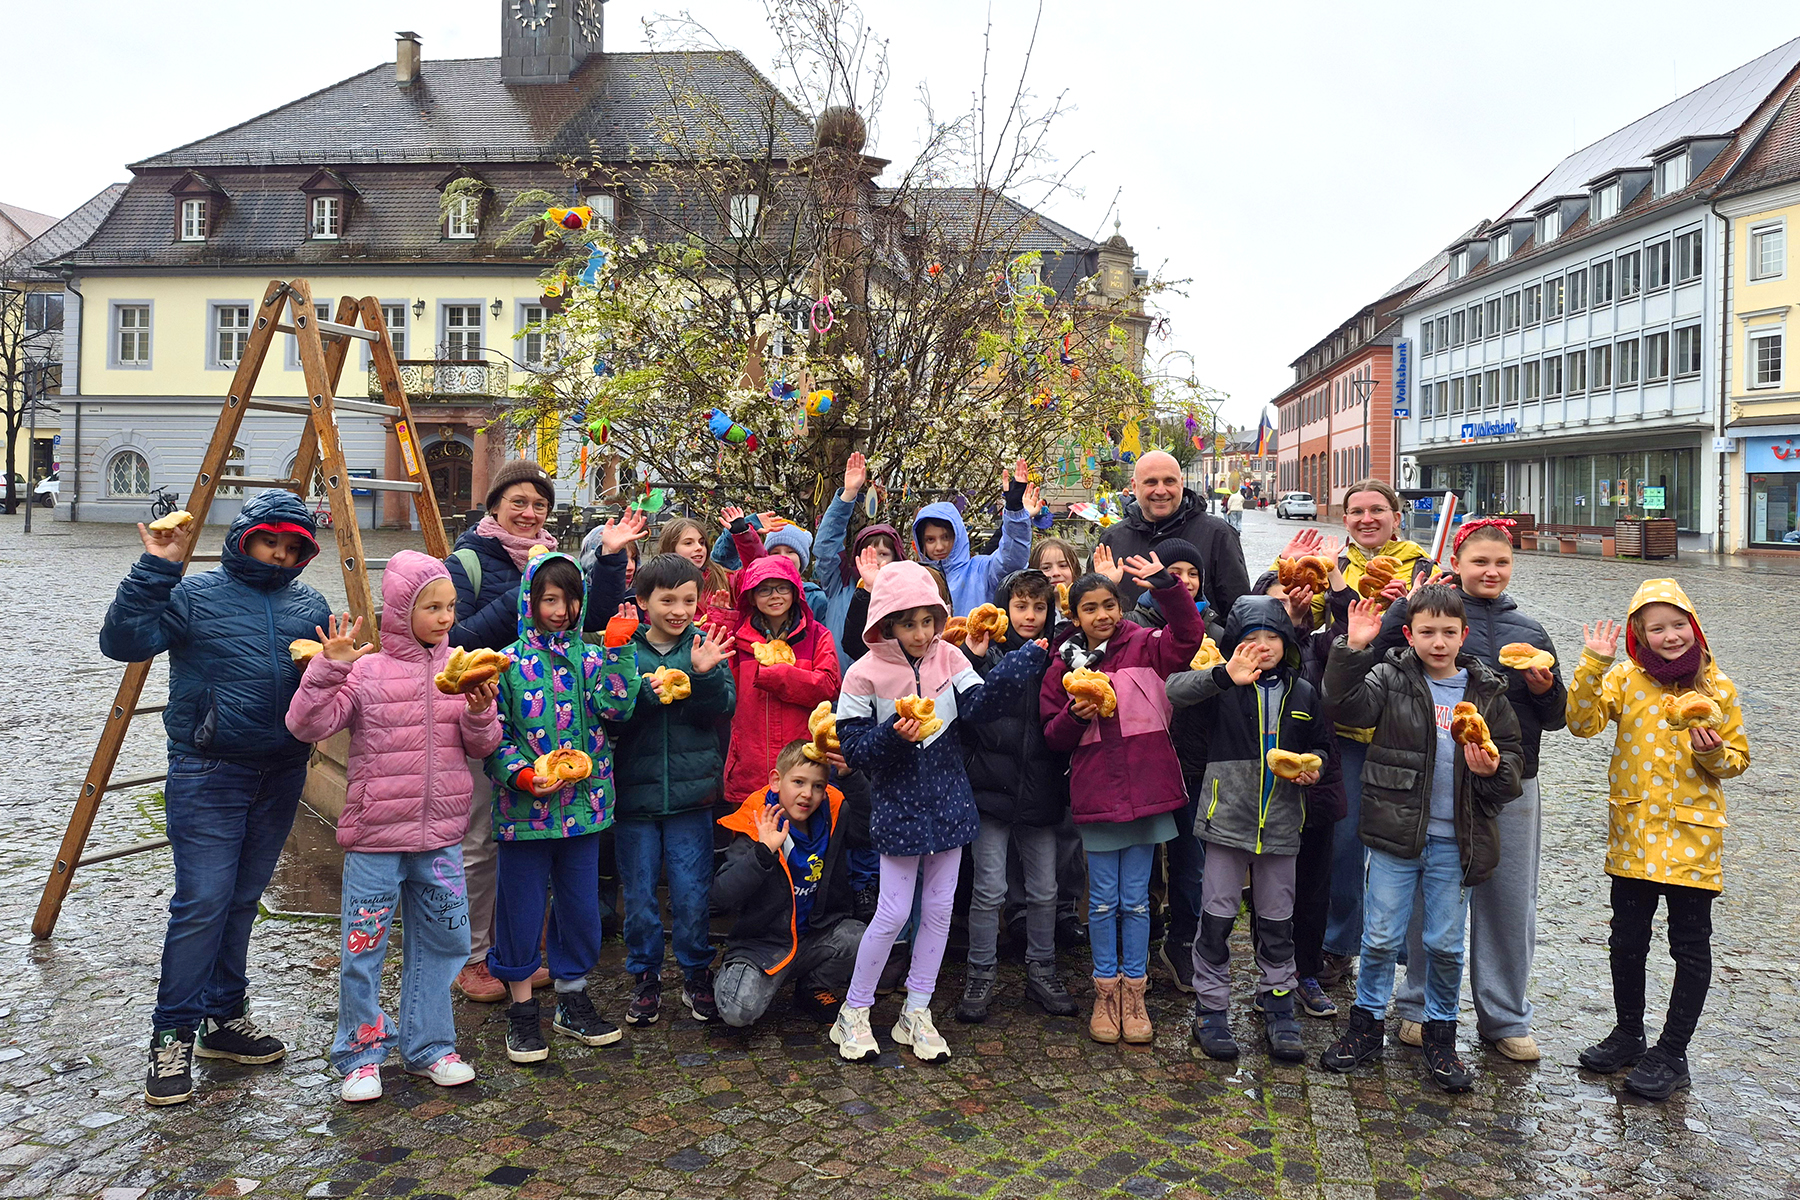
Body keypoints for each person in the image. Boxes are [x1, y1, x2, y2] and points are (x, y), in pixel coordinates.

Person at [104, 493, 330, 1108]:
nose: (280, 554)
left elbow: (320, 687)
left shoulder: (310, 605)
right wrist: (157, 567)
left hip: (281, 771)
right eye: (270, 541)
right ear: (243, 539)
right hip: (208, 770)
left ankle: (224, 1018)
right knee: (202, 902)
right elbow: (122, 641)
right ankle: (171, 1034)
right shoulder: (193, 595)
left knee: (241, 899)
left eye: (293, 547)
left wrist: (338, 668)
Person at [284, 552, 501, 1103]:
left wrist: (480, 712)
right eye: (432, 607)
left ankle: (430, 1046)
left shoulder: (463, 670)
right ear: (402, 610)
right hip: (376, 840)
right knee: (364, 948)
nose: (445, 617)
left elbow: (482, 747)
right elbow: (306, 724)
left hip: (441, 840)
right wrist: (329, 668)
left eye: (450, 606)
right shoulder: (366, 672)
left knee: (447, 941)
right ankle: (361, 1054)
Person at [830, 561, 1047, 1063]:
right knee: (892, 913)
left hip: (950, 804)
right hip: (897, 807)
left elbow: (978, 709)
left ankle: (916, 1010)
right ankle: (854, 1011)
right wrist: (894, 736)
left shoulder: (950, 656)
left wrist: (1017, 665)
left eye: (929, 621)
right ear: (887, 623)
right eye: (909, 623)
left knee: (939, 911)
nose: (922, 633)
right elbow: (854, 750)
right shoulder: (863, 673)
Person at [446, 460, 639, 1004]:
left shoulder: (560, 574)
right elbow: (455, 637)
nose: (530, 513)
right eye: (519, 502)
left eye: (539, 505)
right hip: (493, 719)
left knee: (562, 882)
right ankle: (479, 958)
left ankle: (549, 971)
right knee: (482, 848)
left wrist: (607, 559)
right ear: (494, 507)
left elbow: (593, 622)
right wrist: (523, 592)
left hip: (574, 782)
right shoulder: (469, 560)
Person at [1375, 519, 1567, 1062]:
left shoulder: (1530, 632)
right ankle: (1417, 1004)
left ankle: (1505, 1016)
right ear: (1456, 564)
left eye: (1501, 562)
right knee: (1426, 893)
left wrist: (1545, 690)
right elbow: (1382, 664)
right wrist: (1401, 607)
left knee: (1508, 899)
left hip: (1510, 781)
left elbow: (1557, 716)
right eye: (1480, 561)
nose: (1491, 571)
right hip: (1435, 778)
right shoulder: (1430, 616)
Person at [1317, 587, 1522, 1092]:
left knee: (1445, 944)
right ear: (1409, 635)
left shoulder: (1487, 691)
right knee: (1380, 937)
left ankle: (1440, 1034)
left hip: (1458, 839)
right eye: (1427, 632)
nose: (1438, 642)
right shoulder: (1390, 678)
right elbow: (1342, 706)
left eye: (1448, 632)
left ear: (1463, 635)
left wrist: (1493, 770)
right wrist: (1352, 648)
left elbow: (1512, 762)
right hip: (1395, 832)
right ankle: (1365, 1025)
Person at [1567, 580, 1748, 1100]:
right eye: (1657, 628)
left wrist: (1711, 753)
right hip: (1634, 834)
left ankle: (1672, 1052)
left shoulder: (1718, 688)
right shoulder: (1625, 678)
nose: (1670, 636)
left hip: (1694, 837)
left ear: (1694, 626)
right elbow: (1581, 723)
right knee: (1627, 940)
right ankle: (1629, 1033)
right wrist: (1592, 665)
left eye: (1678, 625)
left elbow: (1736, 760)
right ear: (1639, 635)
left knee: (1689, 945)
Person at [1041, 554, 1203, 1045]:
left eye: (1109, 605)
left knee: (1136, 902)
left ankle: (1135, 993)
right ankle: (1104, 993)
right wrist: (1075, 715)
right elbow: (1052, 736)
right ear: (1074, 616)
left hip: (1146, 789)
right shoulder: (1063, 664)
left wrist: (1167, 587)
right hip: (1097, 794)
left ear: (1121, 606)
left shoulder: (1145, 645)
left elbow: (1188, 637)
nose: (1102, 615)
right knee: (1101, 903)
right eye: (1090, 608)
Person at [485, 552, 641, 1064]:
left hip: (586, 809)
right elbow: (494, 737)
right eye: (549, 599)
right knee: (520, 910)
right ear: (529, 602)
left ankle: (572, 999)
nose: (560, 610)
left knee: (579, 907)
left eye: (570, 600)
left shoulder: (592, 659)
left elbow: (618, 709)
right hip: (523, 814)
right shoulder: (505, 664)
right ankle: (521, 1008)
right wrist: (523, 776)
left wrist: (619, 652)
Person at [1170, 595, 1333, 1063]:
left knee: (1278, 923)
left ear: (1287, 643)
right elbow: (1174, 691)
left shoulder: (1303, 692)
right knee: (1216, 921)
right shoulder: (1222, 685)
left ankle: (1278, 1004)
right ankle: (1211, 1008)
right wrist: (1224, 675)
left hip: (1281, 825)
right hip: (1226, 822)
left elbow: (1321, 745)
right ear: (1235, 645)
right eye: (1251, 639)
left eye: (1272, 638)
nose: (1262, 647)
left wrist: (1314, 767)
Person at [1288, 479, 1432, 991]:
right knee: (1343, 844)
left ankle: (1394, 951)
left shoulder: (1422, 566)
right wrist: (1298, 600)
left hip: (1400, 725)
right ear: (1345, 519)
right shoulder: (1333, 564)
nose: (1367, 519)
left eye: (1377, 510)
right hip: (1344, 723)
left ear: (1396, 516)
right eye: (1356, 511)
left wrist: (1403, 608)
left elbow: (1430, 633)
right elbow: (1311, 631)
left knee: (1400, 844)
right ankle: (1339, 943)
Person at [611, 554, 738, 1027]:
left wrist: (703, 675)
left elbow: (722, 709)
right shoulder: (626, 649)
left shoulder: (704, 644)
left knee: (690, 892)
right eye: (667, 600)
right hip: (636, 797)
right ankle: (645, 975)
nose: (679, 610)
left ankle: (695, 971)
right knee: (640, 897)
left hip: (692, 796)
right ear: (643, 602)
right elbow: (613, 713)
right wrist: (647, 691)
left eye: (688, 600)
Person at [954, 569, 1079, 1023]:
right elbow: (965, 711)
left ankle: (1042, 970)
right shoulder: (984, 654)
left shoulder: (1060, 657)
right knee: (990, 889)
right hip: (990, 789)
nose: (1029, 615)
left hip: (1041, 790)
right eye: (1021, 606)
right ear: (1005, 608)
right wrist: (973, 657)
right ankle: (980, 973)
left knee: (1045, 889)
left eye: (1039, 607)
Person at [1118, 538, 1222, 994]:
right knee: (1141, 858)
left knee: (1190, 859)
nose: (1185, 580)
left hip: (1194, 758)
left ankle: (1183, 939)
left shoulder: (1214, 628)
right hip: (1145, 758)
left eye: (1193, 573)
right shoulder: (1133, 626)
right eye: (1175, 571)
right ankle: (1139, 936)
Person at [712, 741, 867, 1028]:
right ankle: (734, 976)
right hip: (763, 946)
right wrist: (763, 853)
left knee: (860, 937)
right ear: (776, 781)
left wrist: (851, 777)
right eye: (798, 782)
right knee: (736, 1012)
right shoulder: (756, 824)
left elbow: (867, 832)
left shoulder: (833, 813)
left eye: (818, 786)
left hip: (812, 936)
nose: (807, 794)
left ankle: (812, 987)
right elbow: (721, 896)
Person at [1251, 570, 1347, 1021]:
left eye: (1292, 603)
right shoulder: (1248, 661)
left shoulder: (1318, 648)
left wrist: (1336, 582)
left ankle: (1306, 972)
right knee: (1269, 892)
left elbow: (1353, 636)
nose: (1286, 610)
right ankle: (1269, 975)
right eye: (1275, 605)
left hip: (1315, 793)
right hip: (1266, 797)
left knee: (1312, 887)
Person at [721, 555, 841, 811]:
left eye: (782, 588)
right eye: (764, 590)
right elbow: (722, 695)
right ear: (752, 596)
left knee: (801, 834)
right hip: (749, 766)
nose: (774, 596)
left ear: (795, 591)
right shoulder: (736, 639)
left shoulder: (817, 635)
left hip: (802, 764)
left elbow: (829, 686)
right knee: (750, 834)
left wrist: (777, 675)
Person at [1095, 451, 1250, 616]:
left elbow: (1238, 612)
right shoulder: (1112, 539)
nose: (1161, 490)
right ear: (1134, 486)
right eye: (1151, 482)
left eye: (1169, 481)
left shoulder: (1217, 534)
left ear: (1181, 483)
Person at [812, 453, 907, 672]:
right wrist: (848, 495)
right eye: (868, 553)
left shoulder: (903, 593)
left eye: (883, 554)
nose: (875, 561)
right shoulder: (841, 582)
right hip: (839, 682)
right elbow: (826, 546)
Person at [910, 459, 1036, 615]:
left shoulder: (981, 571)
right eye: (930, 539)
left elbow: (1011, 559)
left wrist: (1014, 510)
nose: (940, 547)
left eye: (946, 537)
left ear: (958, 536)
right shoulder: (915, 580)